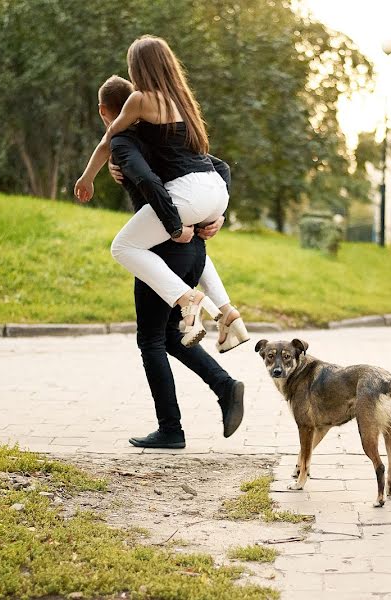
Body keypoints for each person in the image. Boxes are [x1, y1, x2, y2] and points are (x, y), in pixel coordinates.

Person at [96, 75, 245, 449]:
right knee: (169, 339)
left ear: (105, 112)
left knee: (150, 340)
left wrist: (119, 167)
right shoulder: (169, 136)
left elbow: (146, 181)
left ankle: (171, 430)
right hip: (193, 248)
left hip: (165, 247)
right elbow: (218, 168)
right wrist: (217, 214)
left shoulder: (127, 141)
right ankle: (225, 387)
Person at [74, 36, 249, 352]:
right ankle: (226, 312)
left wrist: (88, 177)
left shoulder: (139, 99)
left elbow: (110, 139)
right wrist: (219, 214)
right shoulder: (184, 100)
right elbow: (208, 159)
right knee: (192, 240)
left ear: (138, 68)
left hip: (189, 193)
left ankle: (187, 298)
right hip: (215, 188)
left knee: (123, 246)